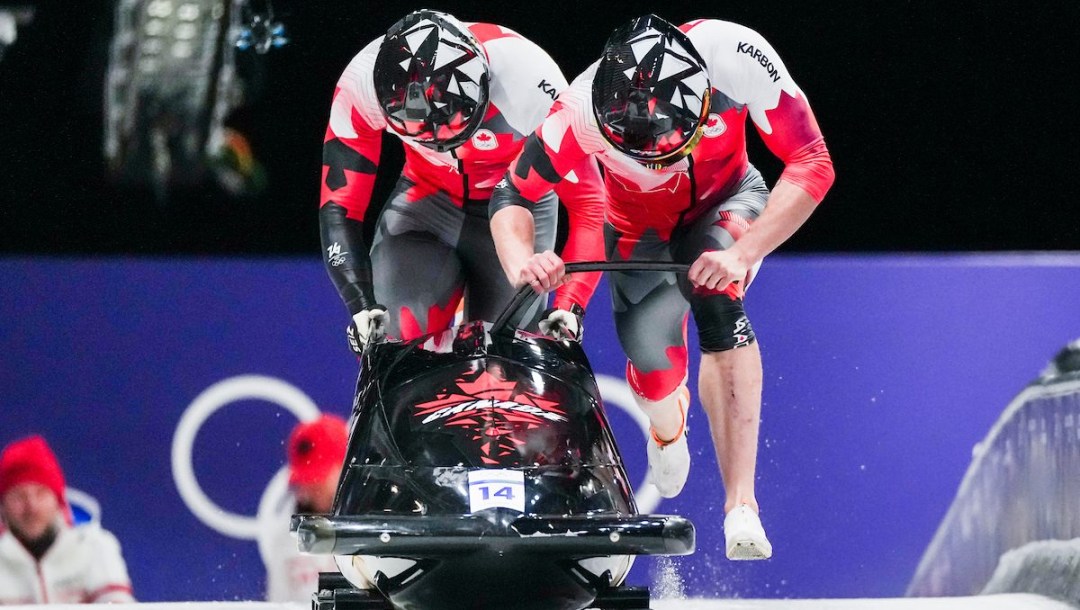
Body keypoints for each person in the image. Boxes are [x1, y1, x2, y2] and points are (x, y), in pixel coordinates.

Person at [490, 14, 835, 560]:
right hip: (635, 234)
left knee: (718, 297)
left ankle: (741, 505)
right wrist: (520, 260)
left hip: (727, 204)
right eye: (639, 147)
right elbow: (512, 193)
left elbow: (812, 161)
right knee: (653, 367)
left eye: (670, 142)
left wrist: (744, 252)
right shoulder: (578, 112)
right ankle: (666, 432)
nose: (658, 156)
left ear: (701, 101)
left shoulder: (735, 53)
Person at [318, 9, 605, 353]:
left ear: (482, 90)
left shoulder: (532, 83)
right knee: (399, 351)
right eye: (425, 133)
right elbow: (339, 208)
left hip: (518, 208)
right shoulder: (362, 83)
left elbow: (591, 205)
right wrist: (360, 302)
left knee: (506, 368)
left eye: (454, 127)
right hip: (425, 207)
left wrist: (570, 305)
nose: (445, 143)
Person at [0, 435, 135, 603]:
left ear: (58, 500)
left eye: (41, 493)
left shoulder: (95, 545)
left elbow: (117, 603)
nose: (32, 507)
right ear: (3, 506)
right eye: (19, 496)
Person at [263, 414, 349, 602]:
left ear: (345, 467)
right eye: (306, 480)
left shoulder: (376, 531)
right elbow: (278, 604)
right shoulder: (286, 539)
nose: (311, 487)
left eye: (319, 477)